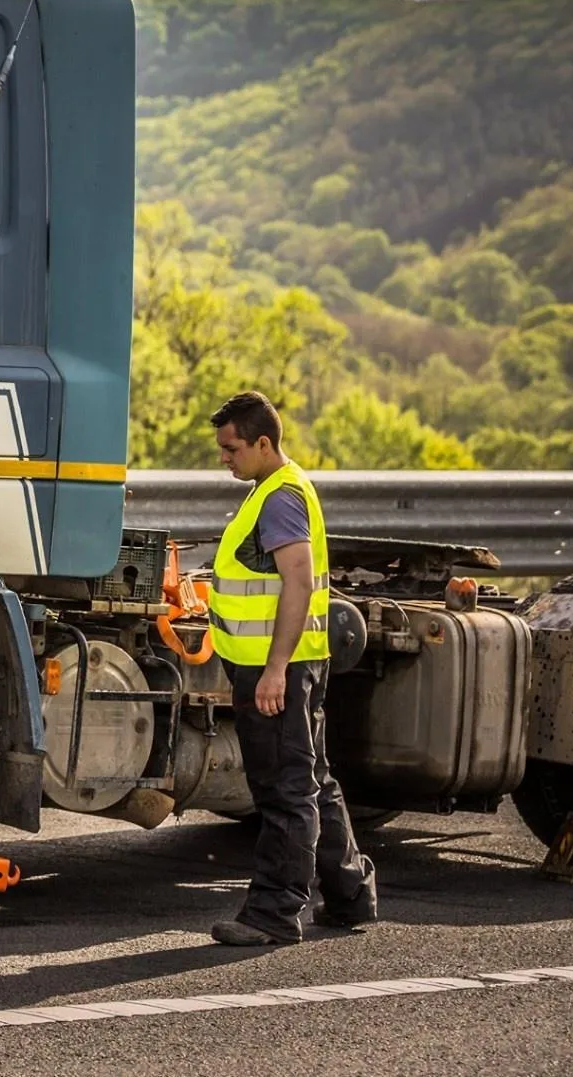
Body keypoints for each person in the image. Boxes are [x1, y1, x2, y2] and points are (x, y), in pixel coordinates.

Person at [204, 391, 378, 946]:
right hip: (289, 663)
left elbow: (298, 582)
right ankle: (351, 894)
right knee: (311, 780)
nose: (224, 458)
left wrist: (276, 668)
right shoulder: (273, 490)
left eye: (231, 448)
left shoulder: (280, 497)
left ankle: (273, 913)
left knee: (285, 790)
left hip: (278, 669)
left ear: (263, 443)